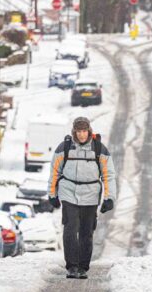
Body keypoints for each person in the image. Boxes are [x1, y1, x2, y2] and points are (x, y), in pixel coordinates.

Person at [47, 117, 117, 279]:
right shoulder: (64, 147)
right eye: (78, 131)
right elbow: (54, 172)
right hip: (68, 192)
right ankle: (72, 266)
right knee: (70, 229)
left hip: (91, 194)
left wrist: (109, 197)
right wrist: (52, 194)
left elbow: (108, 174)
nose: (82, 135)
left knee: (86, 231)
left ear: (89, 131)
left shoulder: (99, 148)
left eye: (84, 131)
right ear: (74, 132)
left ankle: (83, 267)